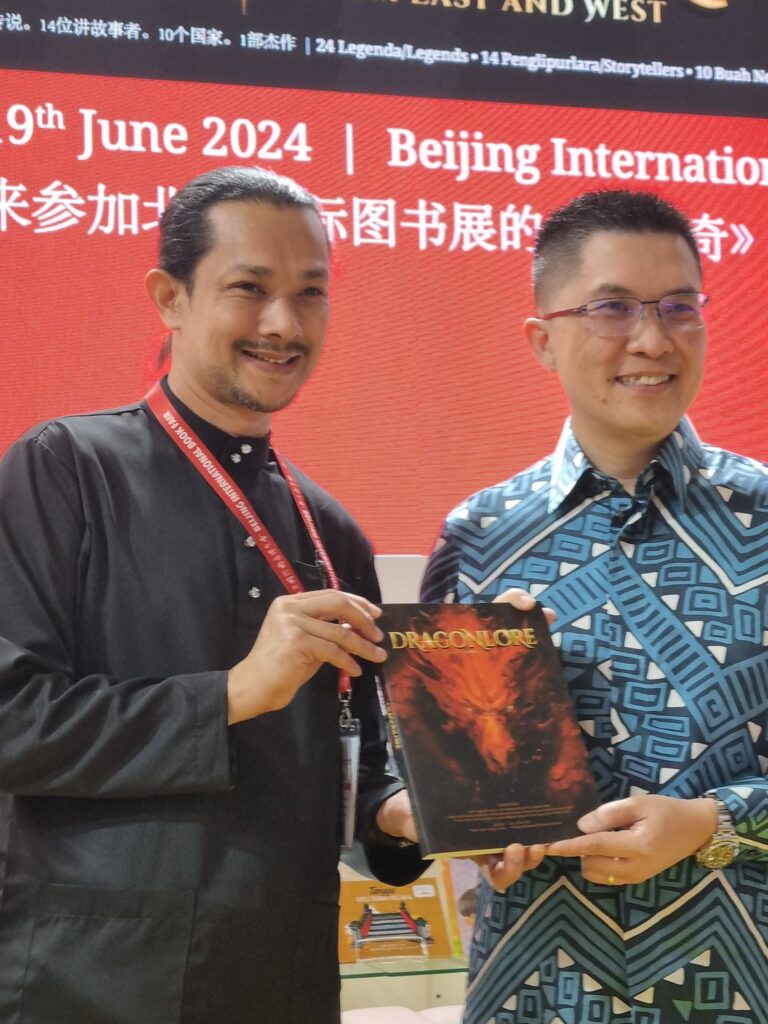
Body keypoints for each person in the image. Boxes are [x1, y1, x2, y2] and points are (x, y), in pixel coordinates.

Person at [0, 165, 422, 1024]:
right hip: (89, 980)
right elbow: (14, 722)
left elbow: (354, 763)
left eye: (311, 293)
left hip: (282, 978)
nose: (283, 324)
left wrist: (408, 811)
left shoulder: (331, 532)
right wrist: (233, 693)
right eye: (249, 288)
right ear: (171, 297)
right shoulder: (65, 470)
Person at [420, 189, 768, 1023]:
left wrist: (712, 822)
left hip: (735, 986)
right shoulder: (478, 536)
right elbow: (431, 773)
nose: (652, 339)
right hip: (534, 990)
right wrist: (470, 815)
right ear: (543, 339)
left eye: (679, 306)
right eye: (613, 308)